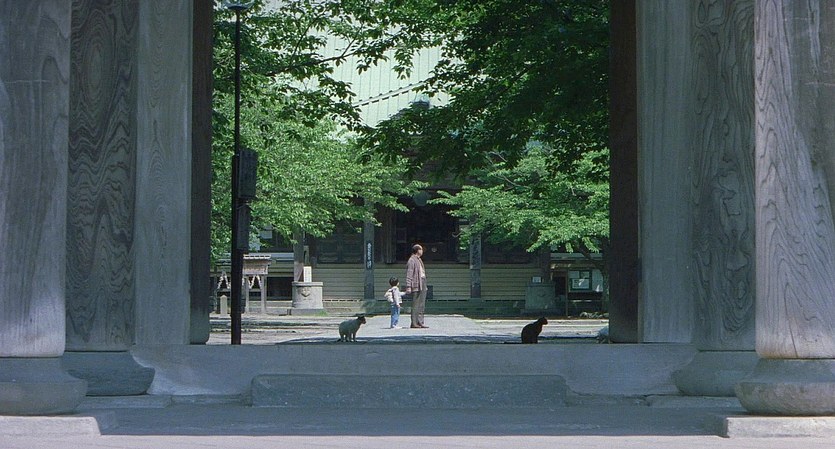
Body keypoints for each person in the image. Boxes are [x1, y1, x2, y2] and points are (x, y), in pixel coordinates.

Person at [405, 243, 428, 328]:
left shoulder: (419, 260)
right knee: (416, 304)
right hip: (416, 283)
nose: (422, 251)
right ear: (417, 250)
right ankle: (414, 323)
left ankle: (420, 321)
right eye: (421, 249)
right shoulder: (412, 260)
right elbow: (409, 273)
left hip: (422, 281)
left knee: (422, 304)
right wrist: (408, 286)